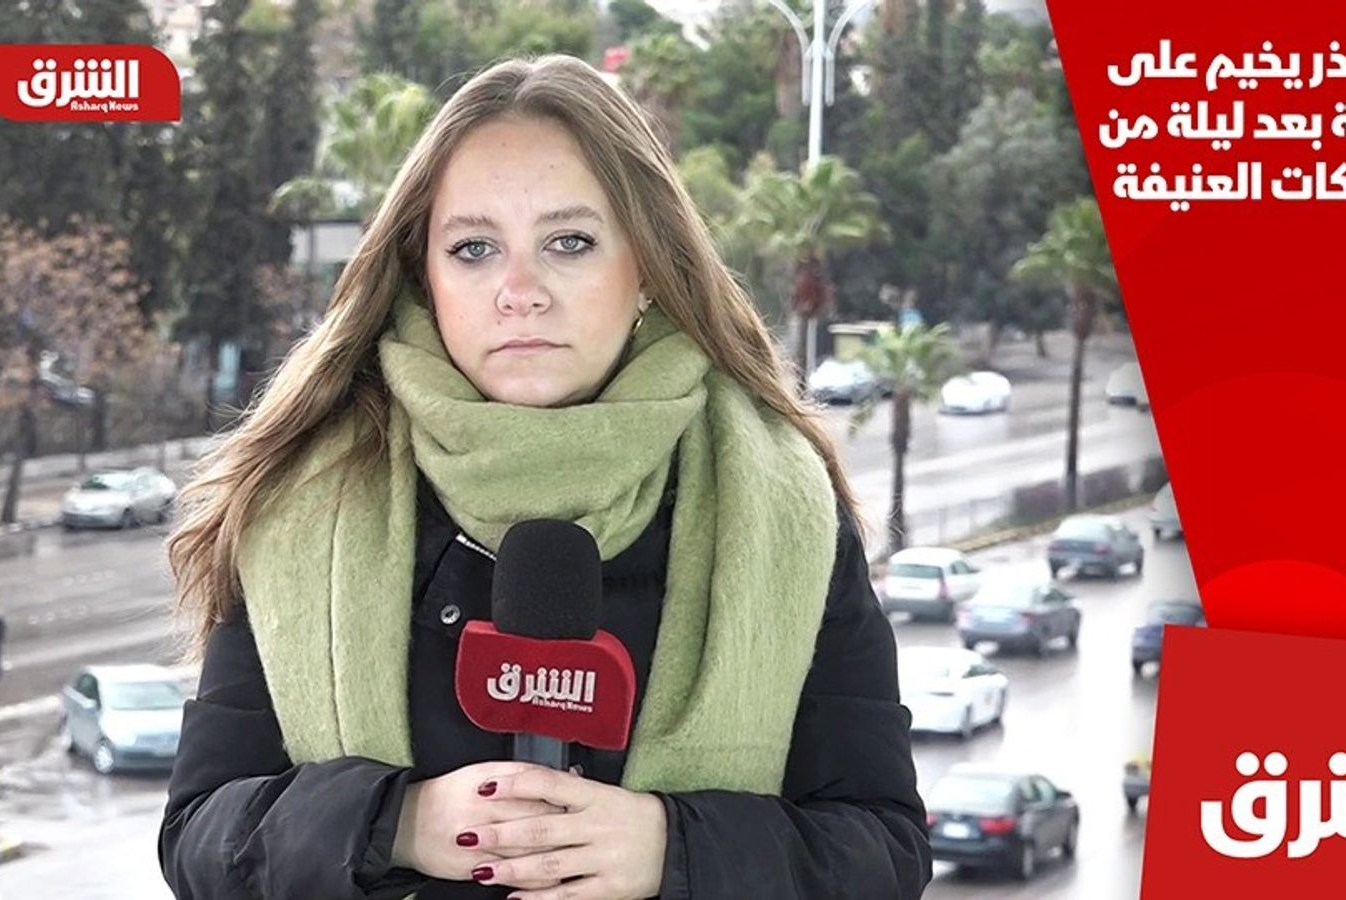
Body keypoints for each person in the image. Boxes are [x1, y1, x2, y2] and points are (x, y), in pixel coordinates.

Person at [158, 54, 931, 900]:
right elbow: (198, 836)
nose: (519, 292)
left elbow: (883, 848)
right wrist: (395, 824)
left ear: (646, 268)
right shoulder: (306, 499)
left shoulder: (782, 506)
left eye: (569, 243)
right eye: (474, 249)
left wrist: (672, 848)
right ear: (425, 276)